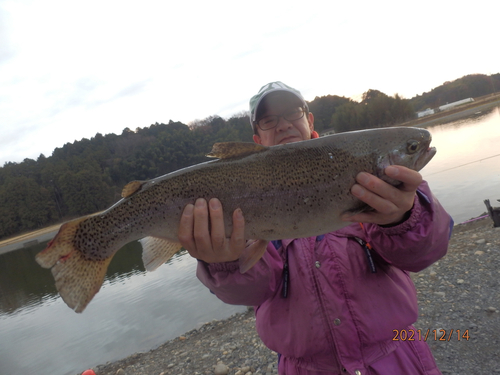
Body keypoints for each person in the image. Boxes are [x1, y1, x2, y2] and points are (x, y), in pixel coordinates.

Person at [177, 81, 452, 375]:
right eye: (269, 119)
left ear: (309, 120)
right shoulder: (241, 191)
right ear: (257, 138)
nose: (283, 125)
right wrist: (224, 262)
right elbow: (253, 291)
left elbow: (424, 254)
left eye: (291, 112)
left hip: (397, 357)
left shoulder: (382, 182)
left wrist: (405, 218)